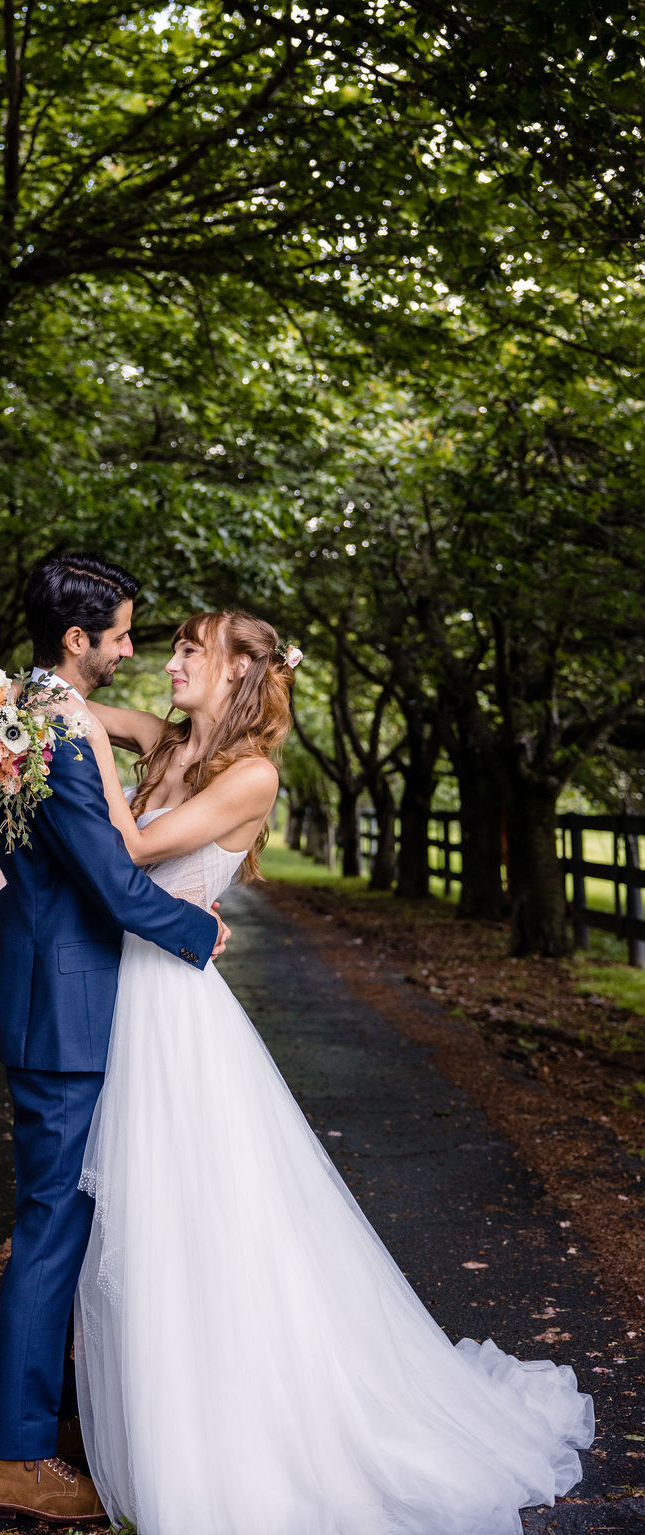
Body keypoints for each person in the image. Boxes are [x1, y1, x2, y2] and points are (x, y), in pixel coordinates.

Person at [71, 607, 594, 1535]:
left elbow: (137, 850)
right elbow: (74, 710)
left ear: (239, 675)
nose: (173, 659)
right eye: (176, 644)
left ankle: (236, 1439)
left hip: (177, 1022)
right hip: (129, 1001)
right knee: (145, 1221)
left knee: (202, 1223)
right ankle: (174, 1414)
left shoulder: (252, 774)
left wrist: (97, 763)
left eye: (195, 649)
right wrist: (13, 707)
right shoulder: (168, 741)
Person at [0, 554, 228, 1526]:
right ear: (75, 641)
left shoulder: (27, 714)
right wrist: (202, 931)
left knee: (63, 1223)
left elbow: (83, 741)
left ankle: (50, 1417)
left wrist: (139, 725)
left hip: (53, 997)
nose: (131, 647)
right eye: (120, 633)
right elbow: (111, 882)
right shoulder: (59, 737)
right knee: (51, 1228)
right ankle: (14, 1453)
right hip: (62, 1012)